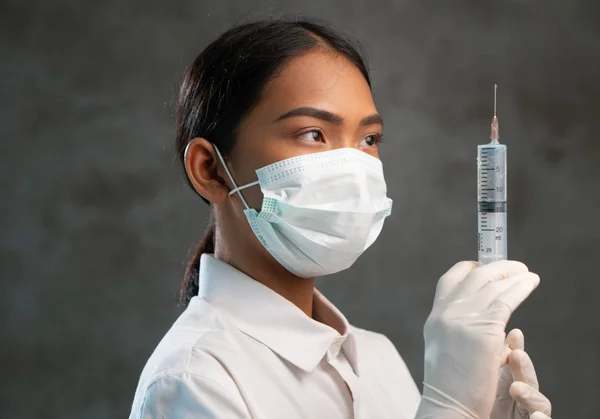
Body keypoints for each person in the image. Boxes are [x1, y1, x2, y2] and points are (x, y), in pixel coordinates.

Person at [129, 19, 552, 419]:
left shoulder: (376, 358)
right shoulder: (194, 379)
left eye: (369, 139)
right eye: (313, 133)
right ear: (211, 169)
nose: (353, 167)